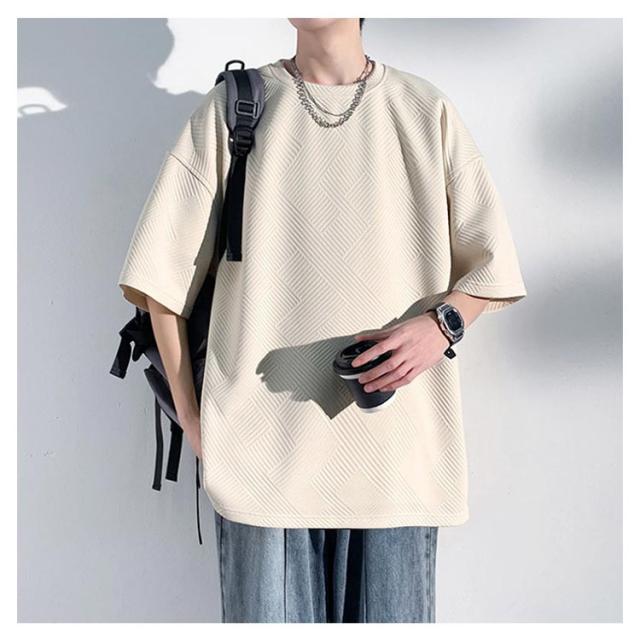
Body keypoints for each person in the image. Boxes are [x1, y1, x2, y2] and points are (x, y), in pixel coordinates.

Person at [117, 17, 527, 623]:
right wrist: (196, 424)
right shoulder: (234, 110)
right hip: (260, 460)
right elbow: (160, 280)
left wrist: (441, 326)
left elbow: (493, 268)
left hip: (395, 459)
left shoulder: (424, 109)